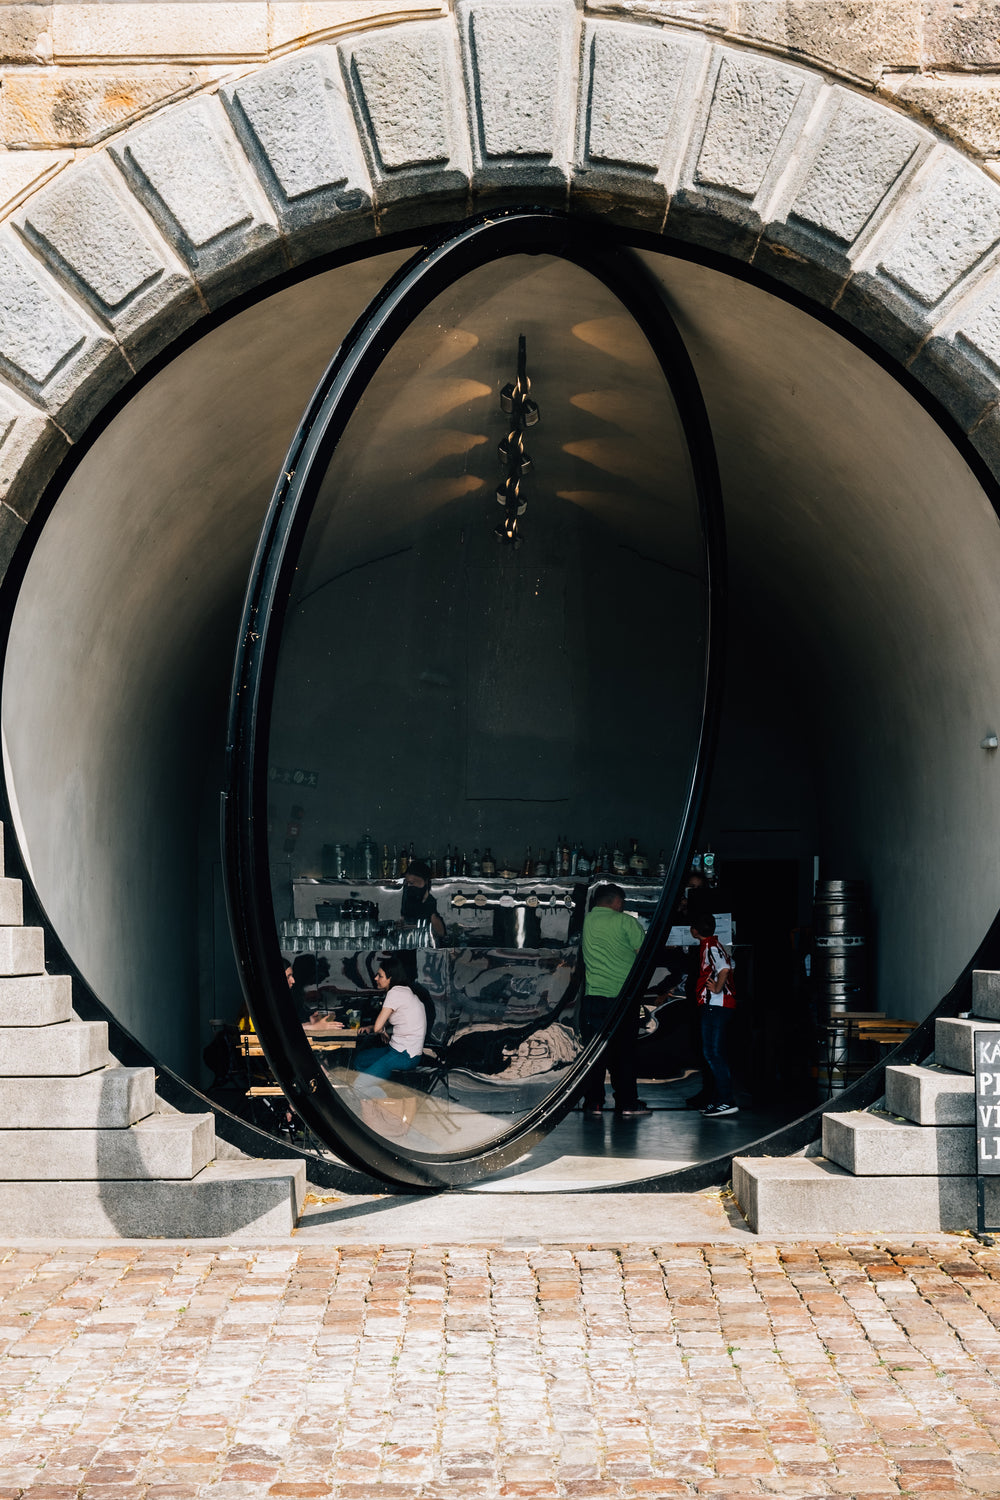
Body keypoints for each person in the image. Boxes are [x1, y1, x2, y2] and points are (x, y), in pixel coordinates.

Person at [578, 883, 650, 1117]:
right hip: (623, 999)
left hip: (594, 997)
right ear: (617, 901)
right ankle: (627, 1104)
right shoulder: (626, 922)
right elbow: (644, 956)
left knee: (594, 1054)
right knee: (624, 1054)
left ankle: (594, 1103)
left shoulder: (587, 921)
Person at [353, 953, 428, 1081]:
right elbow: (391, 1021)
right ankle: (374, 1087)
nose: (376, 978)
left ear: (390, 978)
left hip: (404, 1055)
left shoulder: (395, 993)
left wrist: (379, 1029)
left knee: (359, 1084)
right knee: (360, 1060)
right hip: (401, 1051)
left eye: (380, 976)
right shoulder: (404, 991)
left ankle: (371, 1090)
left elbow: (378, 1028)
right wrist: (373, 1028)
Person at [691, 911, 737, 1116]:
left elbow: (725, 969)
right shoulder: (712, 945)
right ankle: (719, 1100)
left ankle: (726, 1100)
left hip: (715, 1005)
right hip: (716, 1005)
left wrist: (717, 988)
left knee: (713, 1053)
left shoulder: (710, 946)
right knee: (715, 1054)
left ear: (693, 931)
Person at [400, 859, 446, 943]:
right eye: (407, 883)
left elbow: (441, 933)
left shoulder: (430, 902)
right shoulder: (408, 897)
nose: (408, 886)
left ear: (424, 882)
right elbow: (403, 920)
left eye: (412, 883)